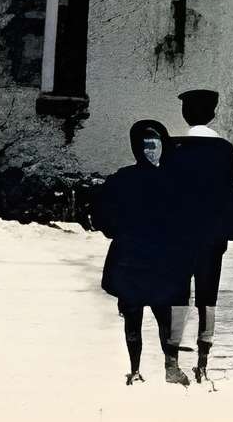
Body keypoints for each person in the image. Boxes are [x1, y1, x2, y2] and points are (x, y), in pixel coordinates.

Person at [92, 120, 192, 384]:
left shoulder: (177, 181)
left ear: (163, 145)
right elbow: (100, 215)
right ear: (136, 148)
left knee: (165, 317)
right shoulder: (122, 180)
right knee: (133, 318)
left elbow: (189, 217)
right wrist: (118, 231)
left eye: (155, 144)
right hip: (132, 260)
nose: (150, 151)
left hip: (165, 261)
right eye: (144, 146)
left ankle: (172, 367)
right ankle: (135, 370)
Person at [161, 88, 233, 383]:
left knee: (177, 293)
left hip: (178, 234)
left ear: (186, 115)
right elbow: (229, 188)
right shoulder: (225, 150)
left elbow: (167, 192)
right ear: (213, 115)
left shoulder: (172, 148)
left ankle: (172, 356)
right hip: (212, 233)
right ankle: (203, 357)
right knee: (208, 294)